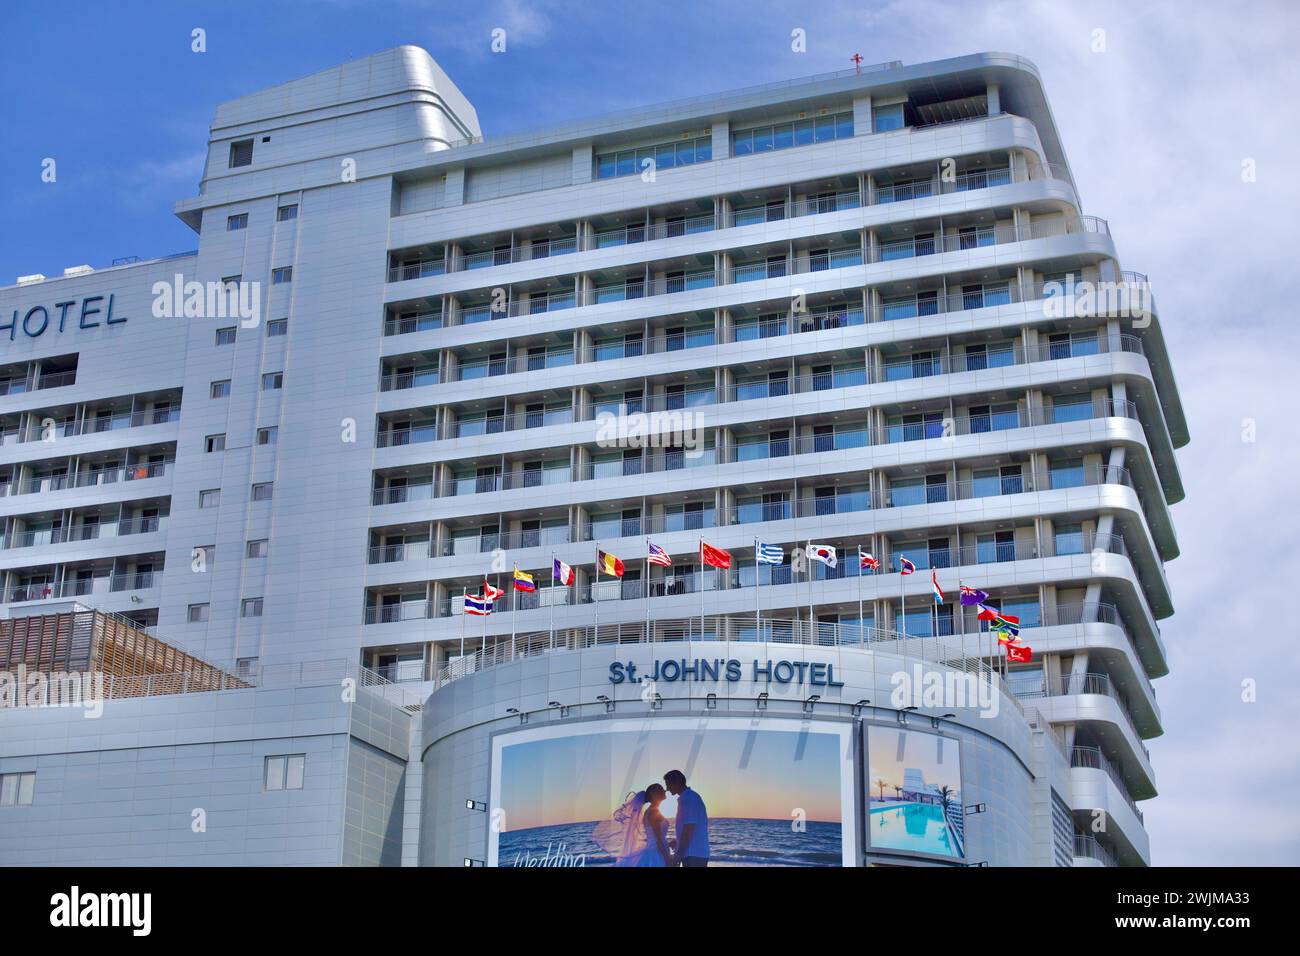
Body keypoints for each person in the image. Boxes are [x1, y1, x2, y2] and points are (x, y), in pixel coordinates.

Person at [664, 769, 709, 867]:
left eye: (668, 784)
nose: (667, 789)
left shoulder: (689, 799)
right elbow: (689, 827)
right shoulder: (689, 797)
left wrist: (678, 856)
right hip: (693, 853)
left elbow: (688, 829)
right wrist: (677, 841)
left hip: (694, 854)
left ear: (676, 782)